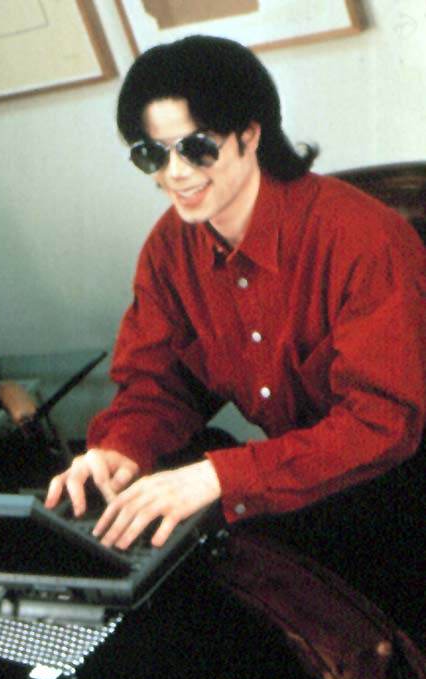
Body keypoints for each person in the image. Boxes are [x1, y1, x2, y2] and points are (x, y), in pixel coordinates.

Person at [45, 36, 425, 592]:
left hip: (401, 497)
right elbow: (159, 387)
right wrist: (119, 450)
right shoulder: (168, 250)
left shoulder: (364, 239)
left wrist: (219, 477)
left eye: (196, 148)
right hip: (293, 491)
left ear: (250, 135)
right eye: (152, 154)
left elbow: (381, 425)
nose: (175, 173)